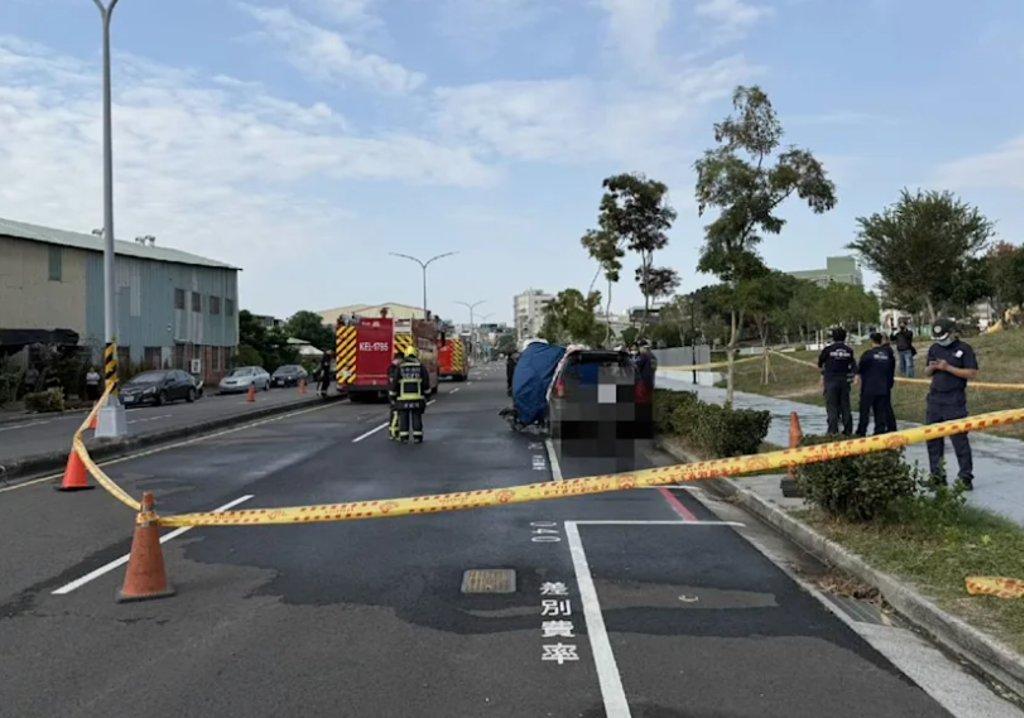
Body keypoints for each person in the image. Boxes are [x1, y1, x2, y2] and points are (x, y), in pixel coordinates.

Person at [924, 318, 979, 490]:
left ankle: (965, 477)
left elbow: (971, 373)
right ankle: (937, 476)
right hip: (935, 399)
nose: (941, 341)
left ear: (953, 332)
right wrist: (933, 367)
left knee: (959, 440)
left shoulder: (964, 349)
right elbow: (926, 372)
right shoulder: (934, 348)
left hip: (954, 400)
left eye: (944, 336)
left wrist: (948, 368)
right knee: (933, 440)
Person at [818, 327, 857, 435]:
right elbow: (852, 364)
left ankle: (832, 430)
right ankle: (848, 429)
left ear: (833, 337)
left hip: (831, 380)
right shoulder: (849, 350)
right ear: (844, 337)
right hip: (844, 381)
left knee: (832, 406)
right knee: (845, 405)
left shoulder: (828, 350)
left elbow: (820, 362)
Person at [855, 333, 895, 437]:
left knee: (865, 411)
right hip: (883, 387)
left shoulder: (868, 354)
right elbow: (891, 369)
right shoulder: (887, 354)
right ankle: (879, 431)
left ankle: (861, 432)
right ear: (881, 340)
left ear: (872, 341)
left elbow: (860, 368)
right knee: (880, 412)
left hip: (869, 387)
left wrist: (857, 376)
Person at [391, 345, 430, 444]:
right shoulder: (420, 367)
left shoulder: (400, 368)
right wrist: (427, 396)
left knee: (403, 418)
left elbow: (395, 383)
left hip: (402, 399)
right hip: (417, 398)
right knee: (416, 417)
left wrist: (392, 396)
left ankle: (404, 437)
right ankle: (417, 436)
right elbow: (426, 383)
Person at [386, 351, 403, 440]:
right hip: (394, 394)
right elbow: (393, 382)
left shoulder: (395, 368)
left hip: (395, 394)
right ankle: (393, 433)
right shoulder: (392, 369)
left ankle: (395, 432)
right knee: (395, 414)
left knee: (397, 414)